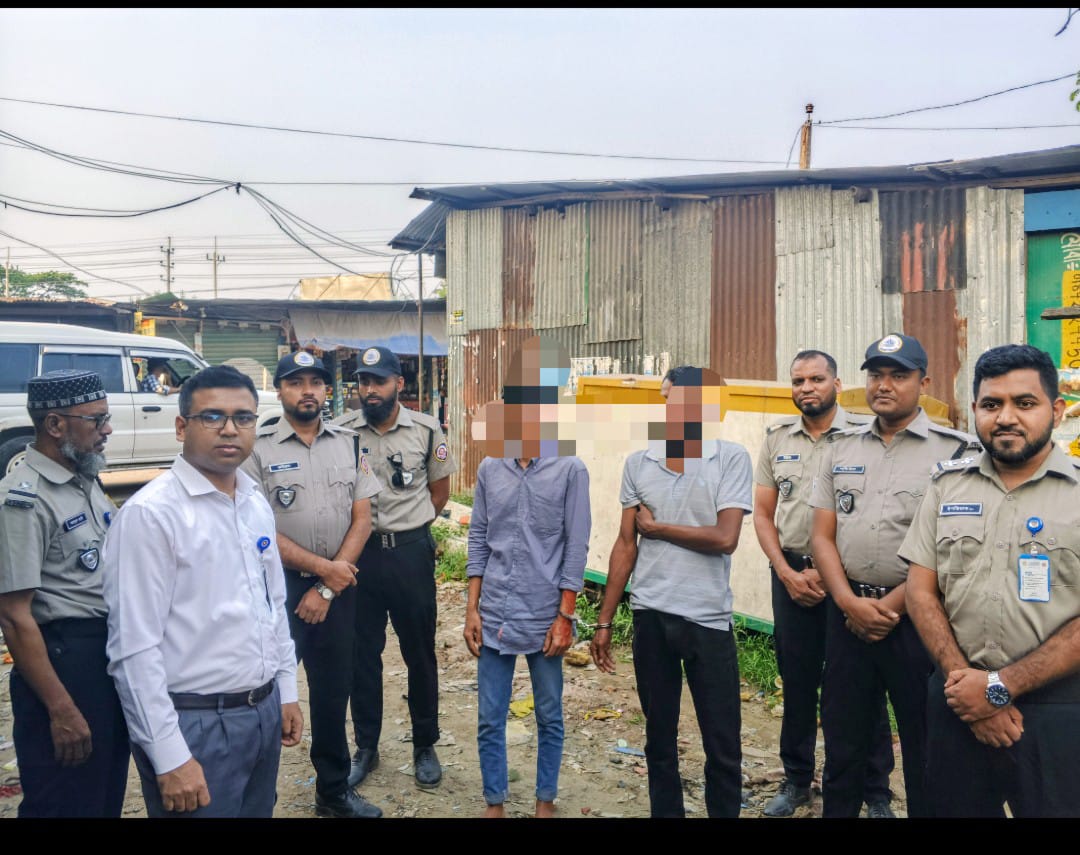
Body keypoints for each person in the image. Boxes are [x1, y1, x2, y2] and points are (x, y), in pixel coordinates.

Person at [102, 364, 302, 817]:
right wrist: (169, 755)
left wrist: (285, 690)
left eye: (243, 417)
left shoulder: (252, 501)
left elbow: (272, 605)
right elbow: (133, 650)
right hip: (194, 723)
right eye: (212, 417)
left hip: (261, 710)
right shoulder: (152, 516)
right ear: (181, 427)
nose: (230, 429)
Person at [902, 344, 1080, 817]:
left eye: (1025, 403)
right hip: (956, 700)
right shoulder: (946, 485)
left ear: (1056, 410)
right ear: (975, 409)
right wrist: (967, 689)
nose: (1005, 418)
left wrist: (999, 689)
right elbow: (920, 591)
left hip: (1058, 711)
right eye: (991, 404)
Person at [810, 333, 978, 818]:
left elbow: (954, 549)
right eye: (876, 375)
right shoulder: (840, 449)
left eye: (898, 375)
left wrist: (890, 606)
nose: (884, 385)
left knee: (926, 744)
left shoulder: (957, 454)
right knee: (842, 740)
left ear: (923, 383)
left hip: (918, 623)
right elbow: (822, 536)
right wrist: (849, 603)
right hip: (848, 618)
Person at [591, 367, 753, 818]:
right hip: (651, 616)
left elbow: (726, 538)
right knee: (659, 740)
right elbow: (626, 545)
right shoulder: (640, 463)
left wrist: (659, 528)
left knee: (722, 744)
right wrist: (605, 621)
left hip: (707, 618)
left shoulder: (730, 458)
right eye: (665, 398)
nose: (669, 408)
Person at [241, 351, 383, 819]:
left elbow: (363, 518)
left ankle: (333, 792)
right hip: (275, 588)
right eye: (295, 382)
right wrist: (325, 571)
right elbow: (256, 528)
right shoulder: (256, 449)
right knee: (264, 695)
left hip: (338, 589)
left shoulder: (350, 443)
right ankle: (256, 798)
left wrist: (327, 586)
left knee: (332, 692)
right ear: (279, 390)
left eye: (315, 383)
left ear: (327, 390)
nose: (307, 391)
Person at [753, 349, 895, 817]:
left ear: (836, 384)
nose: (806, 388)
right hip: (791, 578)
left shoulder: (865, 435)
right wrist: (786, 572)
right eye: (798, 381)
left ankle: (875, 790)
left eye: (816, 379)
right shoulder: (777, 439)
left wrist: (829, 575)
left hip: (847, 582)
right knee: (797, 683)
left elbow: (873, 513)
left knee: (861, 686)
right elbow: (763, 515)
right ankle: (796, 781)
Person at [463, 336, 591, 818]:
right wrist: (471, 609)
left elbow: (575, 548)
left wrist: (565, 617)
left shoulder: (570, 469)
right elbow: (479, 539)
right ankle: (494, 803)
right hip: (495, 611)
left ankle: (544, 802)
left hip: (544, 615)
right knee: (489, 717)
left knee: (549, 715)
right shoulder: (490, 468)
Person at [0, 370, 129, 817]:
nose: (107, 429)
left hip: (102, 658)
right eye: (96, 419)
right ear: (55, 425)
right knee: (63, 800)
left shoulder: (83, 478)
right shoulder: (22, 501)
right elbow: (14, 616)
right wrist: (61, 709)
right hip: (63, 665)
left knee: (102, 792)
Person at [335, 346, 458, 790]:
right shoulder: (342, 432)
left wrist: (411, 529)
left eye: (379, 381)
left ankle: (424, 744)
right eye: (364, 381)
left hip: (409, 554)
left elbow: (439, 492)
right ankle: (366, 746)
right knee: (361, 655)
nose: (370, 389)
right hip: (360, 556)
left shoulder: (425, 430)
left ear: (398, 384)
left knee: (419, 652)